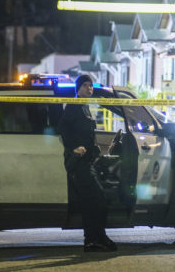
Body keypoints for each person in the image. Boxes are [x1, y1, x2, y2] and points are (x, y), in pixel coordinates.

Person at [58, 74, 117, 252]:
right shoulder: (74, 107)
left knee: (94, 201)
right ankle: (94, 239)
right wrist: (75, 148)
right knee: (96, 199)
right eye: (85, 85)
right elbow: (62, 128)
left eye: (90, 86)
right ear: (78, 89)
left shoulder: (84, 107)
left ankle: (95, 239)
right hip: (79, 163)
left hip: (87, 161)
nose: (89, 89)